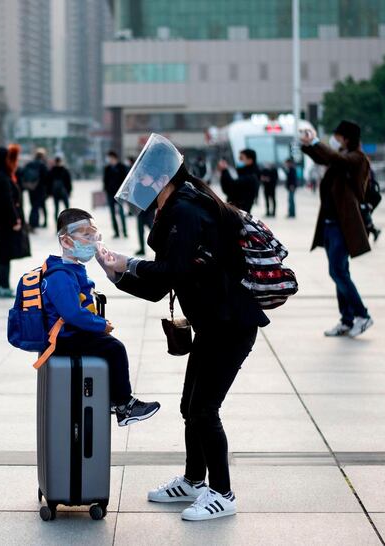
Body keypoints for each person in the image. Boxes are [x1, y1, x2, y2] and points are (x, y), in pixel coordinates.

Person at [96, 134, 269, 522]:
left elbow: (170, 271)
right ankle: (194, 481)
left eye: (143, 178)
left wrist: (129, 262)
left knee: (204, 409)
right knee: (190, 407)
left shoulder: (186, 211)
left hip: (230, 324)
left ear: (161, 178)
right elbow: (161, 287)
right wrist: (117, 275)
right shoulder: (175, 208)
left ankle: (222, 494)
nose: (138, 184)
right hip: (214, 323)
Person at [46, 208, 160, 425]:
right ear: (66, 241)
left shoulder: (71, 268)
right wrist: (100, 325)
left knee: (108, 347)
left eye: (94, 235)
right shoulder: (60, 275)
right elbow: (72, 313)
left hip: (71, 334)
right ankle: (124, 405)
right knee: (114, 348)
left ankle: (112, 398)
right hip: (64, 339)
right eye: (86, 235)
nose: (92, 241)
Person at [300, 121, 373, 337]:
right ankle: (347, 319)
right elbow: (326, 158)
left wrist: (315, 141)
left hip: (344, 226)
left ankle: (363, 315)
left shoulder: (356, 159)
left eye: (338, 137)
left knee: (337, 271)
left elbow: (335, 158)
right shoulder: (341, 158)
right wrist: (309, 145)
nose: (335, 141)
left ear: (346, 138)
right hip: (331, 224)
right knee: (341, 271)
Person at [0, 146, 24, 298]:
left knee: (3, 255)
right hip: (5, 223)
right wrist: (15, 219)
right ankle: (3, 287)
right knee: (4, 255)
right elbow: (7, 201)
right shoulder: (2, 177)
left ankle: (2, 285)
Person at [102, 151, 128, 238]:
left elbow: (126, 180)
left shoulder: (122, 167)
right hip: (110, 194)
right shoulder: (107, 168)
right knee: (112, 214)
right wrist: (105, 189)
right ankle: (116, 232)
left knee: (121, 213)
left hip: (119, 194)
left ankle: (124, 231)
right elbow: (105, 181)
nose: (109, 160)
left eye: (110, 158)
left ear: (114, 158)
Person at [22, 148, 49, 230]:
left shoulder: (29, 164)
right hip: (40, 189)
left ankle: (34, 222)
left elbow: (23, 173)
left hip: (31, 188)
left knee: (34, 205)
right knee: (41, 206)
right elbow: (46, 177)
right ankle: (40, 222)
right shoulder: (42, 165)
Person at [48, 156, 72, 227]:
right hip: (64, 192)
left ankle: (57, 226)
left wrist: (49, 193)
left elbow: (48, 183)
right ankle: (67, 224)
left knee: (56, 209)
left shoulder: (52, 170)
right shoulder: (65, 170)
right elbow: (68, 182)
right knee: (67, 209)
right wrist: (69, 191)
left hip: (55, 193)